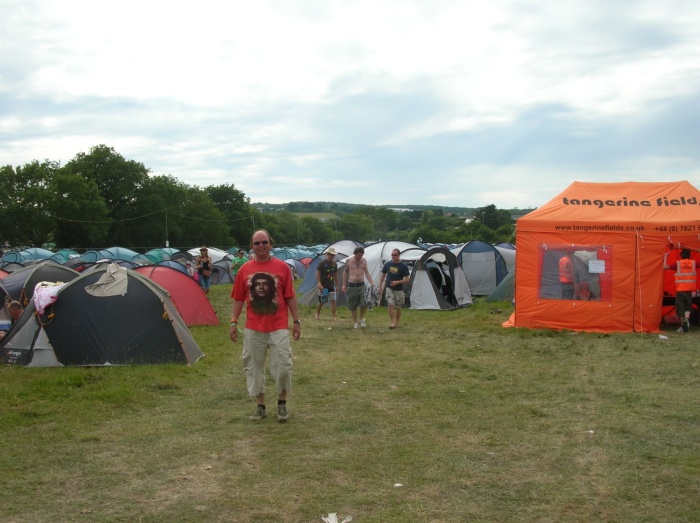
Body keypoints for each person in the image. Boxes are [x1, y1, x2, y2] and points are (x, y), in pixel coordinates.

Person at [229, 230, 301, 421]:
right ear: (251, 246)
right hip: (253, 328)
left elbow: (290, 296)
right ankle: (260, 406)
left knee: (284, 365)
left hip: (278, 327)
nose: (261, 246)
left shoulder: (282, 267)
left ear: (271, 244)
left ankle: (282, 404)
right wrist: (233, 321)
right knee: (253, 366)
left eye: (264, 242)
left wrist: (296, 321)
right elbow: (238, 298)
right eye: (257, 243)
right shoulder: (244, 269)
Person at [341, 246, 375, 329]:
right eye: (359, 255)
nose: (360, 257)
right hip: (352, 285)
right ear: (355, 254)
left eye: (361, 255)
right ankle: (355, 322)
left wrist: (372, 282)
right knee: (353, 306)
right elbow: (345, 272)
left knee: (364, 303)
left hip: (361, 285)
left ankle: (361, 319)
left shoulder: (364, 261)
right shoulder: (349, 261)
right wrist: (344, 285)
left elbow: (367, 273)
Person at [664, 248, 697, 333]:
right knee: (688, 307)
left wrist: (666, 256)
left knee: (681, 308)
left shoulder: (678, 264)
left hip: (680, 290)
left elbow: (664, 267)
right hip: (689, 290)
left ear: (681, 255)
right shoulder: (694, 263)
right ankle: (687, 320)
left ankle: (683, 326)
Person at [379, 249, 411, 329]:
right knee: (390, 304)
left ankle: (396, 322)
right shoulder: (388, 264)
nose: (393, 256)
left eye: (395, 255)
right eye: (392, 255)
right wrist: (380, 286)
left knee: (398, 306)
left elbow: (407, 279)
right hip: (389, 287)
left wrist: (398, 282)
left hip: (399, 289)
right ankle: (393, 322)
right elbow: (383, 275)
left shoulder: (403, 266)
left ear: (399, 255)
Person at [315, 248, 339, 321]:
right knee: (322, 301)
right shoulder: (322, 263)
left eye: (333, 255)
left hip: (331, 286)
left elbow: (335, 274)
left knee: (333, 301)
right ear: (327, 254)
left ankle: (333, 316)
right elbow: (318, 273)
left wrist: (337, 285)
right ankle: (317, 313)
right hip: (324, 286)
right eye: (331, 255)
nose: (332, 256)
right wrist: (319, 282)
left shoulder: (334, 264)